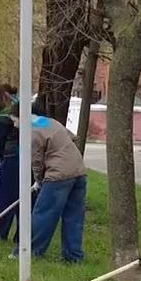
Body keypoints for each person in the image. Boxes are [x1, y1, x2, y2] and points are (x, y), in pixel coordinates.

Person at [26, 97, 88, 262]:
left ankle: (29, 252)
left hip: (58, 175)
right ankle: (73, 257)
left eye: (15, 122)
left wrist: (38, 181)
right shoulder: (51, 122)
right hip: (79, 171)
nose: (15, 126)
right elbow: (74, 137)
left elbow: (36, 162)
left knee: (44, 213)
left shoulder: (32, 131)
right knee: (74, 216)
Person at [0, 81, 22, 244]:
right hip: (28, 157)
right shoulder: (17, 105)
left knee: (4, 199)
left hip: (12, 159)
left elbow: (1, 146)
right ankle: (22, 237)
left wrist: (3, 162)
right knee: (26, 199)